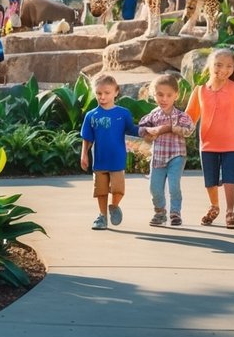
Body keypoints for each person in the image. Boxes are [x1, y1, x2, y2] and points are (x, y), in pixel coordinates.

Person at [186, 47, 234, 229]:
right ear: (210, 66)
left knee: (230, 178)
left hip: (230, 143)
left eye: (229, 66)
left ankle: (230, 211)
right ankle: (214, 207)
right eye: (219, 65)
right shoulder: (200, 91)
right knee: (210, 181)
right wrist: (177, 128)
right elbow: (189, 117)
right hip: (207, 145)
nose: (224, 69)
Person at [80, 74, 140, 230]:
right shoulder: (91, 115)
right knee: (100, 191)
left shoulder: (123, 113)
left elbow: (133, 129)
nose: (102, 97)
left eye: (107, 93)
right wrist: (84, 155)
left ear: (116, 92)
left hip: (117, 159)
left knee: (118, 189)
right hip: (99, 160)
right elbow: (87, 138)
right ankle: (102, 216)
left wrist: (147, 130)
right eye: (99, 93)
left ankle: (114, 206)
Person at [137, 74, 194, 227]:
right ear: (154, 95)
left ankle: (175, 212)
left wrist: (171, 128)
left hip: (177, 155)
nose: (164, 99)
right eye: (160, 95)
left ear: (176, 95)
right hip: (158, 157)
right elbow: (141, 129)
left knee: (174, 184)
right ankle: (160, 212)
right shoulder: (153, 115)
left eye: (168, 95)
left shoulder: (181, 116)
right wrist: (149, 132)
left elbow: (189, 130)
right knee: (155, 188)